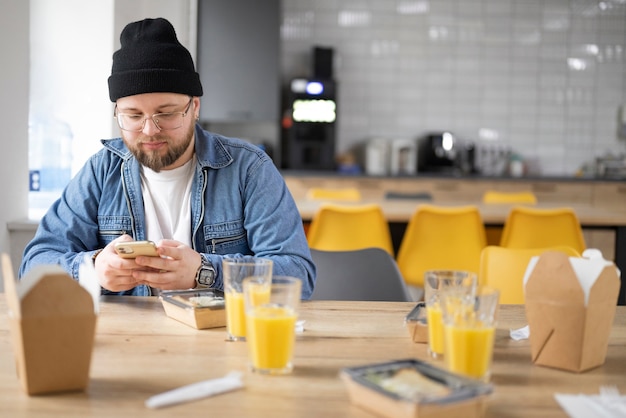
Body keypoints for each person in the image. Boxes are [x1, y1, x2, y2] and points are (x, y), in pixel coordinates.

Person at [19, 17, 316, 299]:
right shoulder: (101, 171)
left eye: (167, 113)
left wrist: (203, 271)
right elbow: (33, 267)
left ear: (195, 107)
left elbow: (298, 276)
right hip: (127, 343)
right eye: (133, 115)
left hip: (221, 343)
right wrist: (93, 269)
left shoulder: (249, 169)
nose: (150, 130)